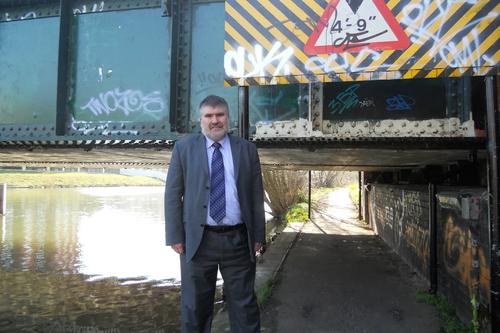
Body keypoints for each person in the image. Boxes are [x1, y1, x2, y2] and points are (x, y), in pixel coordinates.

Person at [164, 95, 266, 333]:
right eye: (209, 116)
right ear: (200, 120)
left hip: (238, 240)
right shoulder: (183, 148)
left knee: (244, 305)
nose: (215, 120)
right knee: (195, 308)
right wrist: (175, 235)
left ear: (228, 118)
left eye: (220, 115)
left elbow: (255, 195)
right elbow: (172, 195)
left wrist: (258, 235)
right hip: (197, 242)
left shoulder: (247, 150)